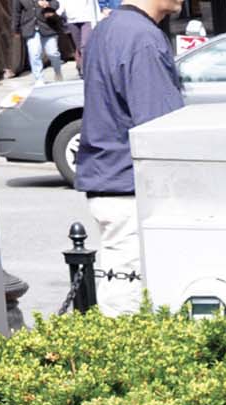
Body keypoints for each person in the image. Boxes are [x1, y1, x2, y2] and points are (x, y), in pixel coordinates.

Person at [75, 0, 183, 316]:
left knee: (122, 288)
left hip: (110, 180)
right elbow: (161, 129)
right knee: (129, 302)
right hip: (131, 189)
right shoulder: (142, 37)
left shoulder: (106, 29)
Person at [16, 0, 65, 81]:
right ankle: (39, 79)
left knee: (53, 53)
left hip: (47, 26)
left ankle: (58, 72)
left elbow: (56, 3)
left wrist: (48, 4)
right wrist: (15, 29)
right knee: (34, 54)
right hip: (30, 28)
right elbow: (16, 12)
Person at [59, 0, 97, 69]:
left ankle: (86, 69)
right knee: (78, 46)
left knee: (84, 45)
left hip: (87, 18)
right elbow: (60, 4)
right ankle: (80, 66)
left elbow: (93, 3)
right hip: (71, 19)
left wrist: (96, 19)